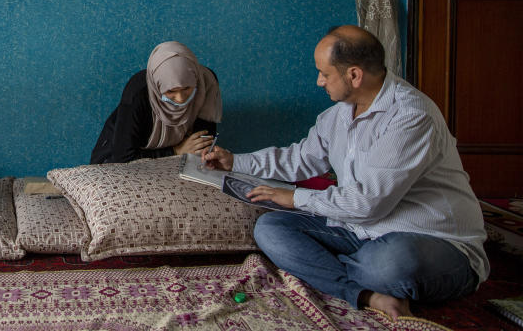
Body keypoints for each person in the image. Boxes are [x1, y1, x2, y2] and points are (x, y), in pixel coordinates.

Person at [203, 25, 488, 321]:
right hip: (360, 231)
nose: (318, 81)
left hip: (429, 240)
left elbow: (367, 203)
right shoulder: (338, 114)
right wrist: (235, 161)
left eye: (324, 73)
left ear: (354, 75)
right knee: (271, 229)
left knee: (389, 264)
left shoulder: (411, 116)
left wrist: (296, 198)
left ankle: (335, 270)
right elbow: (300, 159)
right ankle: (366, 294)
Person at [90, 41, 221, 164]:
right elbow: (123, 157)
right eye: (171, 91)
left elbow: (202, 142)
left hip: (178, 160)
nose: (181, 98)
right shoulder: (138, 92)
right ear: (157, 87)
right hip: (116, 159)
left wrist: (202, 153)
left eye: (187, 88)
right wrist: (176, 151)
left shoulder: (205, 83)